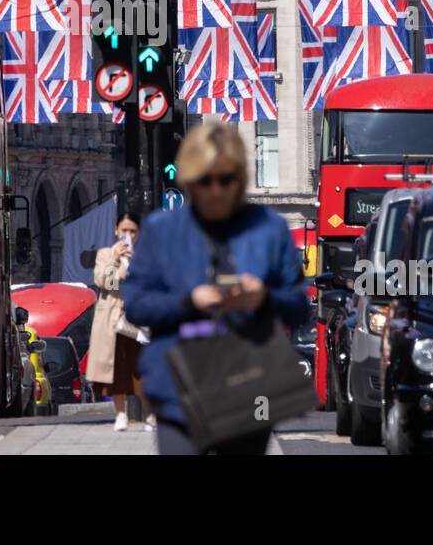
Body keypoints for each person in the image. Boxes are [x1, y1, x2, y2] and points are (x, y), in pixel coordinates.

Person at [123, 122, 310, 455]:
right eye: (204, 180)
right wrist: (189, 301)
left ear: (239, 179)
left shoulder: (268, 228)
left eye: (226, 180)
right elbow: (137, 304)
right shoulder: (161, 230)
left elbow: (298, 304)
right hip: (179, 381)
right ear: (190, 181)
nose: (216, 191)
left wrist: (262, 297)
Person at [87, 208, 152, 432]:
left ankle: (150, 415)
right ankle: (121, 414)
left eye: (132, 231)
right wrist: (116, 261)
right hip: (112, 319)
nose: (128, 235)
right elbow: (105, 282)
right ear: (116, 231)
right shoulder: (105, 254)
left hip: (139, 318)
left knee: (142, 368)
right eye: (124, 230)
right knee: (115, 369)